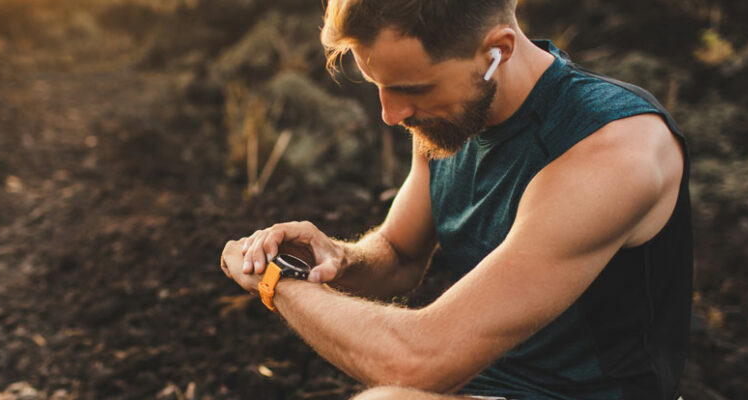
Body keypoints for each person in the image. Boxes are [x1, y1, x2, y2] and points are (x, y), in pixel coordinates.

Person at [218, 0, 693, 399]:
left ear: (497, 51)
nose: (391, 114)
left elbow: (421, 360)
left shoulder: (610, 151)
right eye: (379, 86)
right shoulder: (448, 118)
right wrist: (337, 258)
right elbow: (400, 254)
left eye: (410, 88)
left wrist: (279, 282)